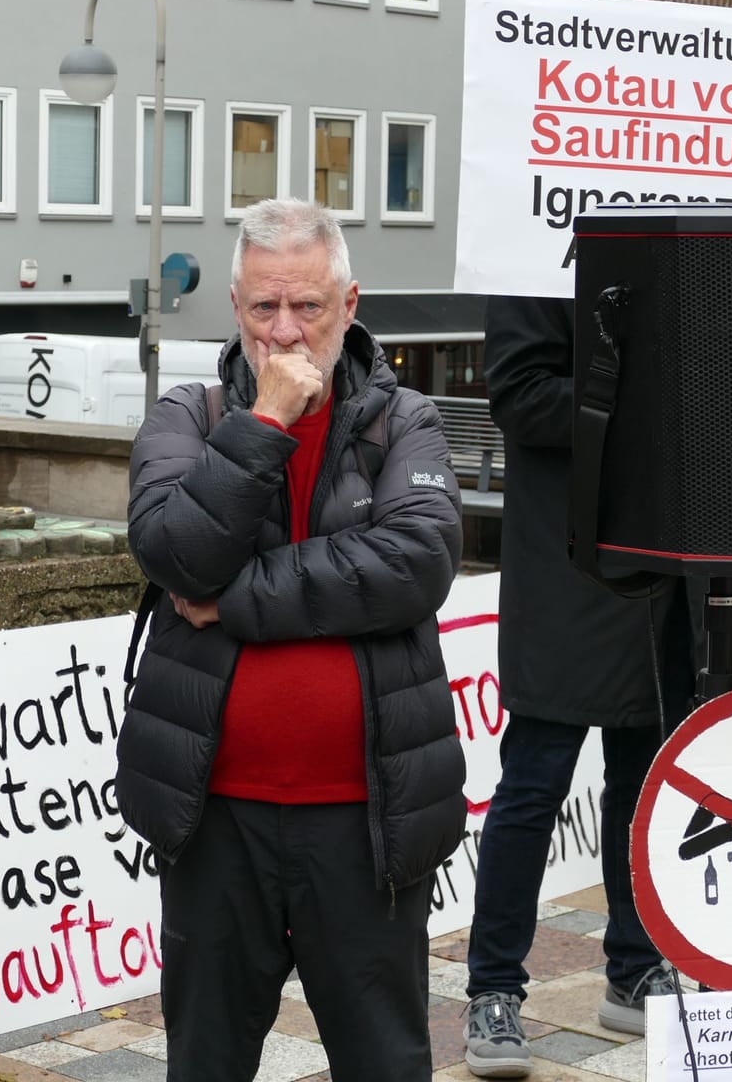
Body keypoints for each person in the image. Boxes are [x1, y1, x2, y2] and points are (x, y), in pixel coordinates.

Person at [116, 198, 466, 1081]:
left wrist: (231, 602)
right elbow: (175, 551)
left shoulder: (406, 422)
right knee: (206, 1058)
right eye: (264, 308)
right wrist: (264, 423)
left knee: (383, 1060)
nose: (286, 331)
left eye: (308, 307)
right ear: (235, 307)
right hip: (215, 815)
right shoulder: (188, 419)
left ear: (351, 305)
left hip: (368, 817)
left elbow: (416, 564)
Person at [462, 296, 696, 1079]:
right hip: (566, 564)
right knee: (533, 786)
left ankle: (635, 970)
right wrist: (644, 400)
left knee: (642, 785)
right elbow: (520, 398)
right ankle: (493, 991)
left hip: (658, 566)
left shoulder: (674, 260)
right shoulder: (529, 263)